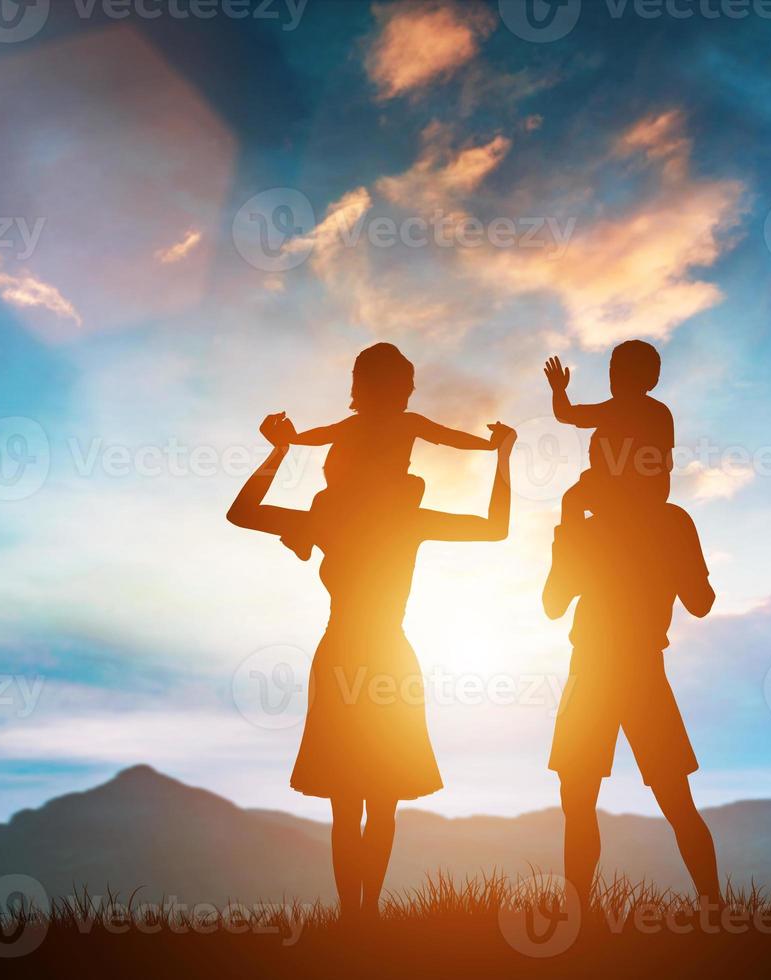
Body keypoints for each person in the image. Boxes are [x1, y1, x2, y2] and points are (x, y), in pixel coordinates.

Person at [227, 407, 516, 925]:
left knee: (348, 799)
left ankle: (354, 918)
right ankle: (366, 918)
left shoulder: (328, 516)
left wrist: (279, 451)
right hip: (386, 653)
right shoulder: (405, 516)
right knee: (380, 796)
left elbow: (242, 513)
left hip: (343, 651)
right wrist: (503, 458)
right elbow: (495, 528)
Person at [543, 475, 722, 906]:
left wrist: (569, 524)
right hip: (637, 669)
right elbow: (701, 601)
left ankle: (578, 912)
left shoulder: (589, 529)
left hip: (595, 668)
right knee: (676, 800)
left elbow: (552, 604)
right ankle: (713, 907)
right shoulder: (671, 521)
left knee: (579, 799)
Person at [284, 342, 501, 559]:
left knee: (409, 485)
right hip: (349, 490)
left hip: (364, 494)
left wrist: (488, 445)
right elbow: (449, 437)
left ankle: (307, 535)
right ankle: (306, 537)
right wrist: (293, 439)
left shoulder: (387, 423)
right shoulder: (390, 423)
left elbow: (449, 437)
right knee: (329, 499)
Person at [543, 340, 674, 525]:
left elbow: (565, 415)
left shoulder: (617, 408)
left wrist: (558, 390)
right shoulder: (662, 412)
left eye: (619, 371)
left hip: (619, 488)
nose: (612, 377)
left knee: (572, 500)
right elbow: (668, 462)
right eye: (613, 370)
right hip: (656, 490)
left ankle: (571, 549)